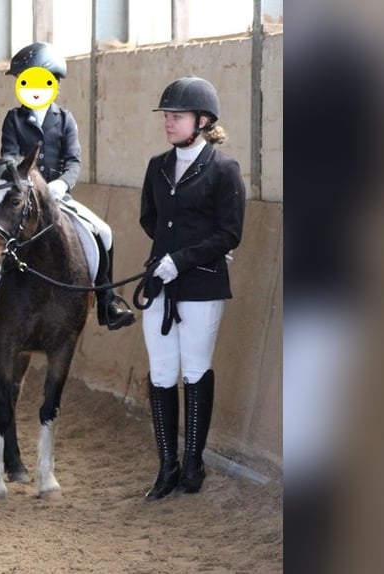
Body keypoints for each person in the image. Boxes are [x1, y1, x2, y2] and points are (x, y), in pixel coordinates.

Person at [0, 41, 135, 331]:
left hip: (58, 198)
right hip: (19, 198)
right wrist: (26, 183)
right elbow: (8, 157)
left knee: (103, 232)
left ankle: (108, 300)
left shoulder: (65, 120)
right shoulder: (14, 119)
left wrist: (61, 185)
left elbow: (74, 162)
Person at [139, 76, 245, 500]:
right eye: (166, 116)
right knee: (161, 371)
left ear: (202, 121)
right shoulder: (157, 166)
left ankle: (193, 463)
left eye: (176, 116)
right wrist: (163, 261)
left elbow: (230, 233)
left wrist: (181, 259)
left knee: (194, 369)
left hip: (201, 285)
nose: (168, 122)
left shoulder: (223, 169)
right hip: (159, 284)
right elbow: (149, 218)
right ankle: (167, 465)